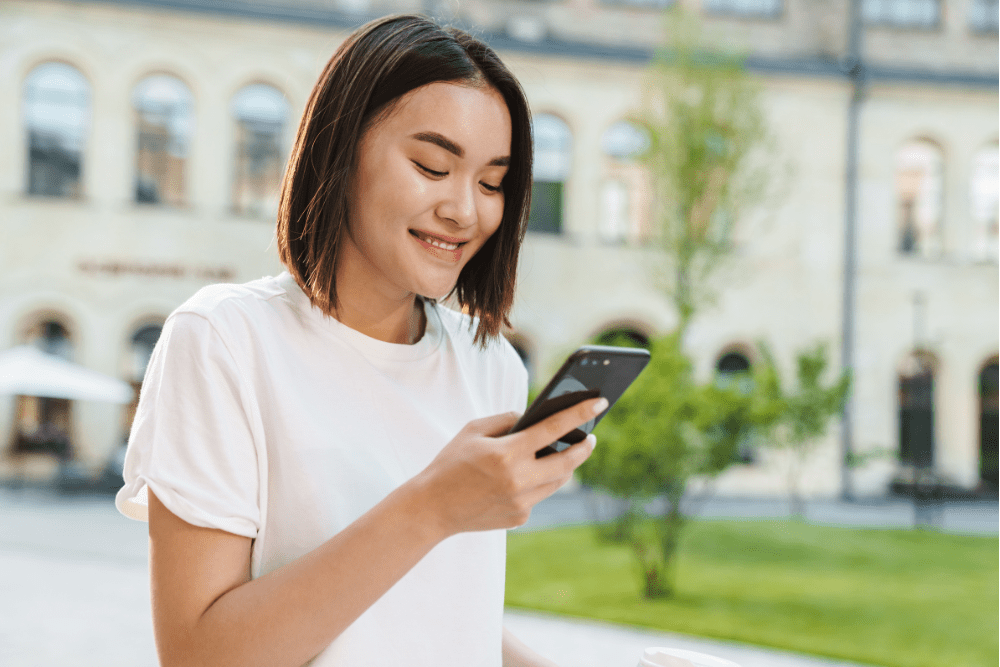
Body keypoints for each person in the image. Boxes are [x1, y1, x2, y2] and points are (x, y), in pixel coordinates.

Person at [116, 14, 604, 667]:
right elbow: (201, 654)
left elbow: (435, 612)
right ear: (341, 152)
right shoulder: (225, 341)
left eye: (492, 182)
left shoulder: (490, 368)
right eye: (434, 166)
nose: (466, 209)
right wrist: (431, 506)